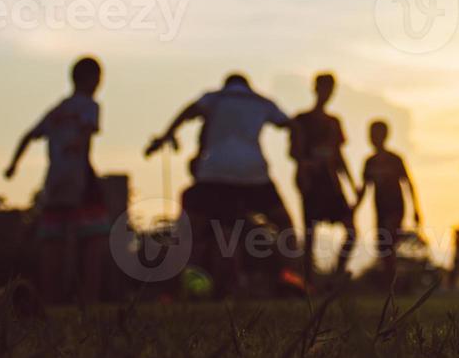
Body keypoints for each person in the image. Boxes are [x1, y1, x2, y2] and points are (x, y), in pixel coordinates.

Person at [145, 73, 293, 294]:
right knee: (283, 223)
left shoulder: (215, 98)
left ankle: (173, 287)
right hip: (253, 173)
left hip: (214, 173)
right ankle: (289, 277)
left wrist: (167, 135)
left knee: (192, 230)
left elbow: (188, 111)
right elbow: (290, 124)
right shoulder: (261, 101)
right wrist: (299, 152)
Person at [5, 57, 106, 306]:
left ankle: (51, 299)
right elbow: (85, 133)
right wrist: (77, 144)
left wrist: (13, 165)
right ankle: (89, 298)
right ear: (91, 79)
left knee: (53, 238)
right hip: (79, 176)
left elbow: (28, 135)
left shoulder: (57, 110)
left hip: (54, 180)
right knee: (94, 237)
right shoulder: (89, 106)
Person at [290, 73, 357, 280]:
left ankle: (337, 276)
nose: (327, 93)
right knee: (310, 234)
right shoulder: (301, 120)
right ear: (315, 88)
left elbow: (339, 156)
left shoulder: (334, 122)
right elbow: (294, 152)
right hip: (312, 181)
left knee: (351, 231)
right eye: (324, 87)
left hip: (332, 183)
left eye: (330, 89)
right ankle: (308, 281)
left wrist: (352, 185)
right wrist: (306, 169)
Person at [353, 119, 422, 285]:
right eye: (371, 134)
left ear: (385, 136)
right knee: (383, 247)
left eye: (377, 134)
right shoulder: (369, 162)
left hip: (396, 208)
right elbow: (365, 188)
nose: (373, 138)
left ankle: (393, 282)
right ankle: (390, 284)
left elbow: (408, 184)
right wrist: (353, 209)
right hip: (380, 209)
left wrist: (416, 209)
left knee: (389, 243)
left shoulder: (395, 159)